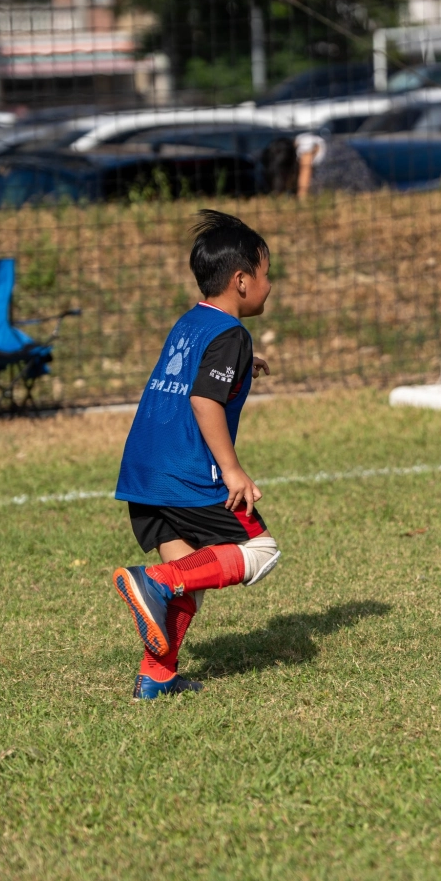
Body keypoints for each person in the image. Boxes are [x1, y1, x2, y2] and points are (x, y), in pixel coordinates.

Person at [112, 210, 282, 700]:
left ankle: (156, 677)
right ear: (241, 280)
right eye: (266, 274)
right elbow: (204, 398)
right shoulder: (232, 336)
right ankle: (154, 581)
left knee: (191, 578)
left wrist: (245, 364)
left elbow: (194, 372)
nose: (270, 285)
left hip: (144, 471)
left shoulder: (191, 322)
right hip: (186, 474)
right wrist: (233, 471)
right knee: (260, 551)